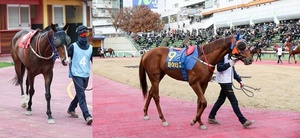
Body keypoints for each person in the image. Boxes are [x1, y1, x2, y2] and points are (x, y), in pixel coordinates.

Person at [208, 54, 255, 128]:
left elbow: (232, 70)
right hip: (224, 81)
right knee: (234, 101)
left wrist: (240, 80)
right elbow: (219, 68)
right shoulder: (222, 55)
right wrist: (229, 64)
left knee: (221, 100)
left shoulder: (230, 55)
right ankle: (243, 121)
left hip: (227, 81)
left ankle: (211, 117)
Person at [67, 25, 93, 125]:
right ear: (78, 35)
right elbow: (66, 58)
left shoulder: (90, 48)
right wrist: (66, 61)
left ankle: (71, 108)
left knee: (79, 94)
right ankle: (87, 116)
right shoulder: (72, 46)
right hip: (76, 74)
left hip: (86, 75)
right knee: (82, 95)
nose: (84, 36)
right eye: (82, 34)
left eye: (86, 34)